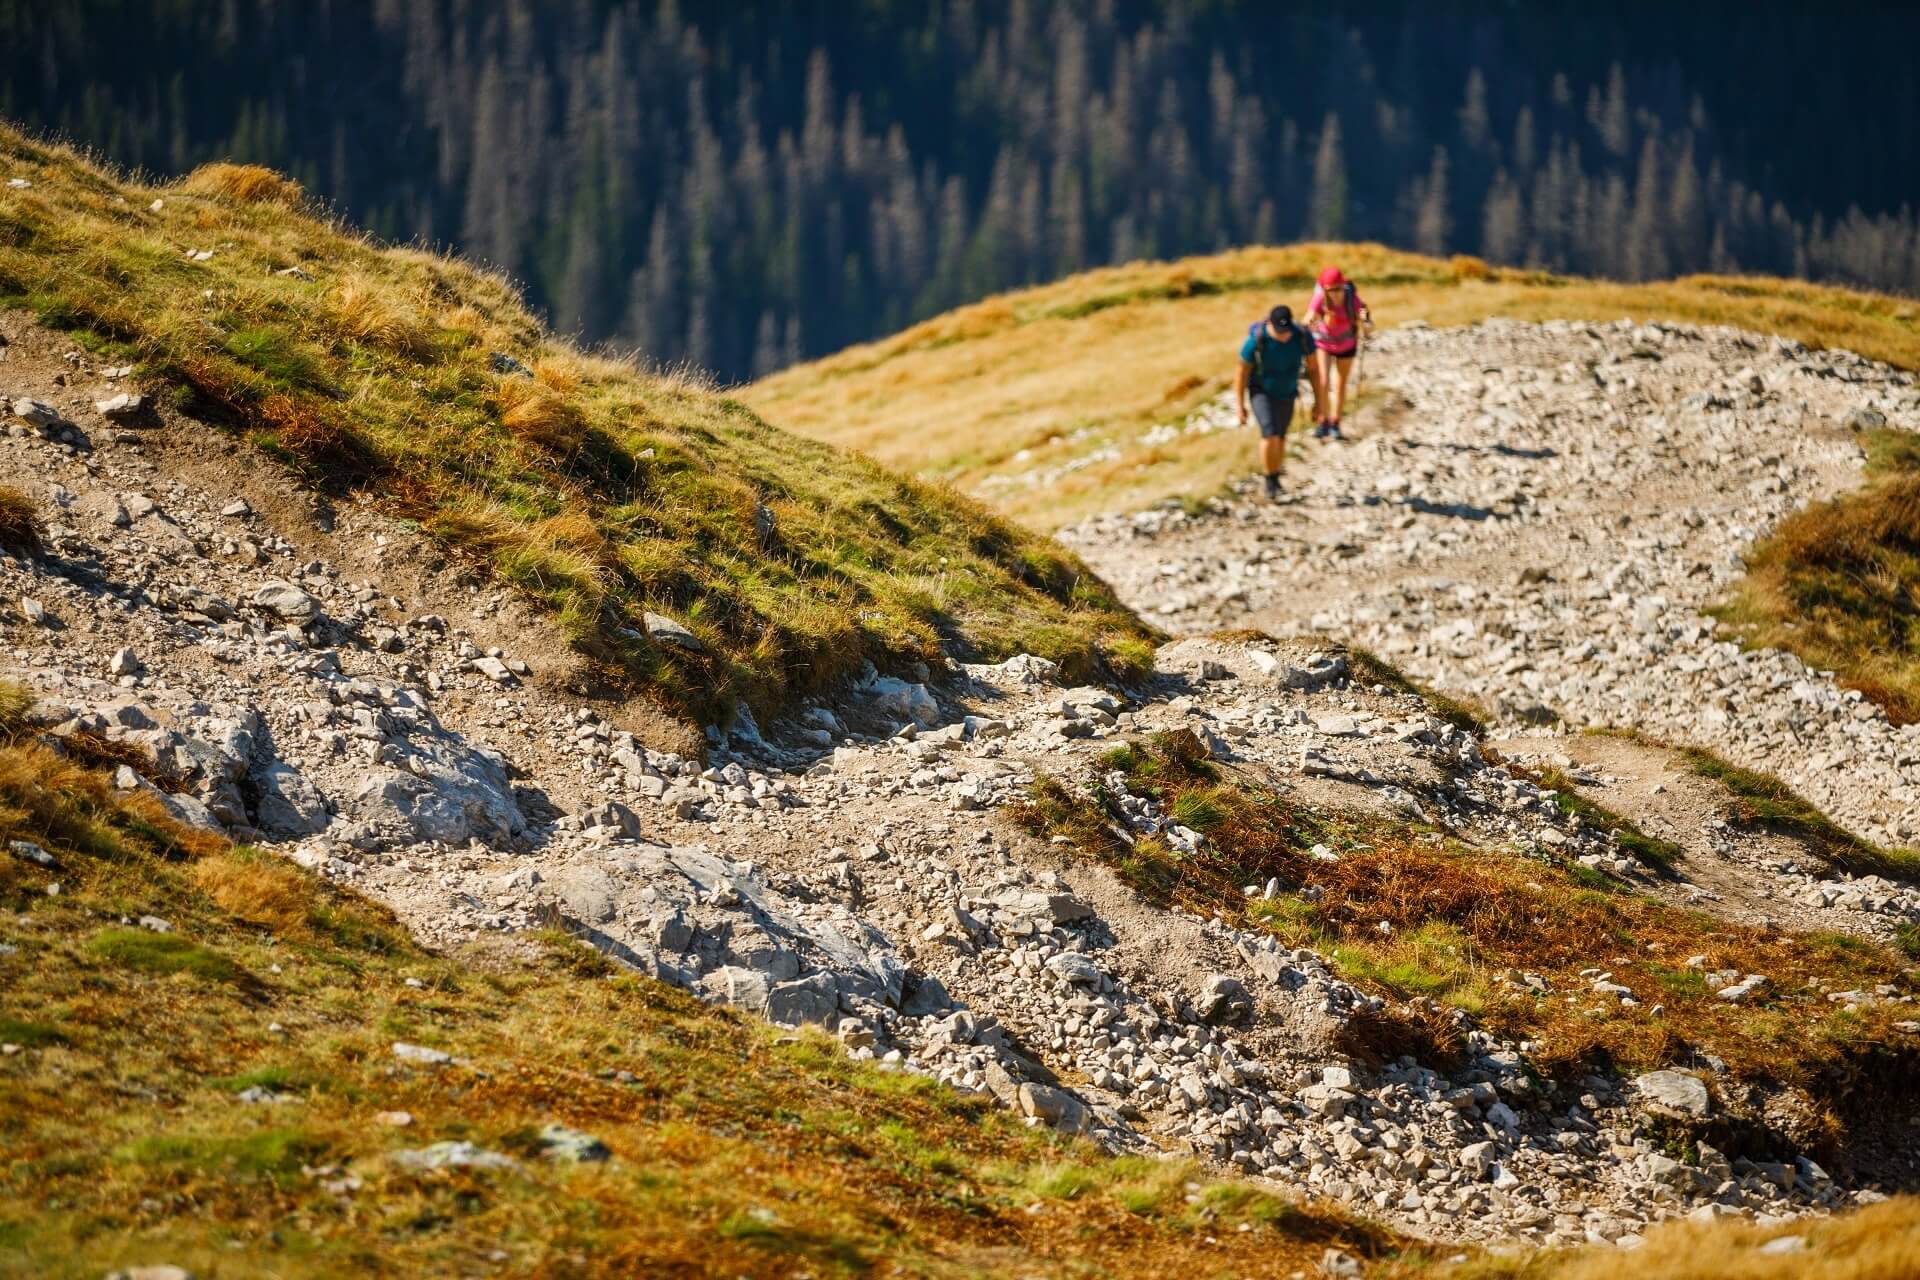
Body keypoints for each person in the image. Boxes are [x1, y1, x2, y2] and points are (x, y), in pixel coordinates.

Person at [1235, 304, 1316, 500]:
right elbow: (1241, 373)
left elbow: (1314, 370)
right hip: (1261, 391)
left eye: (1286, 331)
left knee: (1280, 436)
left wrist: (1320, 403)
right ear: (1269, 324)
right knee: (1269, 432)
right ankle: (1269, 480)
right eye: (1279, 332)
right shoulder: (1256, 341)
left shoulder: (1301, 337)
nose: (1283, 335)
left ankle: (1275, 476)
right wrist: (1240, 405)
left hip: (1287, 392)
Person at [1304, 266, 1372, 439]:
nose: (1335, 293)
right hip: (1324, 344)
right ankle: (1322, 421)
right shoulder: (1320, 299)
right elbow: (1309, 316)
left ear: (1343, 286)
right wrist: (1308, 323)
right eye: (1331, 290)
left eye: (1338, 289)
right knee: (1323, 382)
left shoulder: (1352, 299)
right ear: (1324, 289)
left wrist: (1365, 322)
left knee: (1340, 384)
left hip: (1347, 345)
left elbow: (1369, 327)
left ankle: (1335, 422)